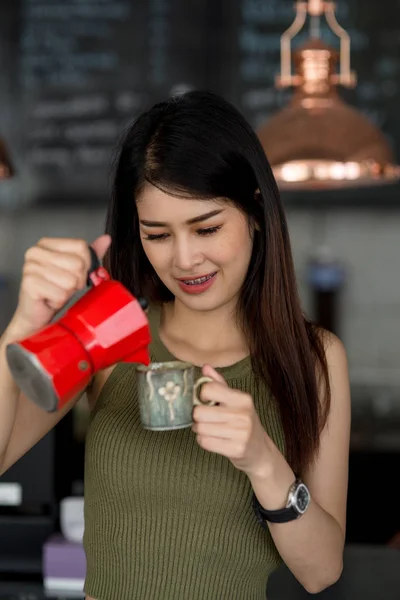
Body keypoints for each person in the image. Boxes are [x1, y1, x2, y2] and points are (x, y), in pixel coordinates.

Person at [0, 90, 350, 599]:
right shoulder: (113, 330)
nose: (185, 259)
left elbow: (322, 571)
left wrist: (263, 462)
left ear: (255, 210)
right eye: (157, 234)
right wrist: (22, 326)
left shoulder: (315, 359)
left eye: (206, 228)